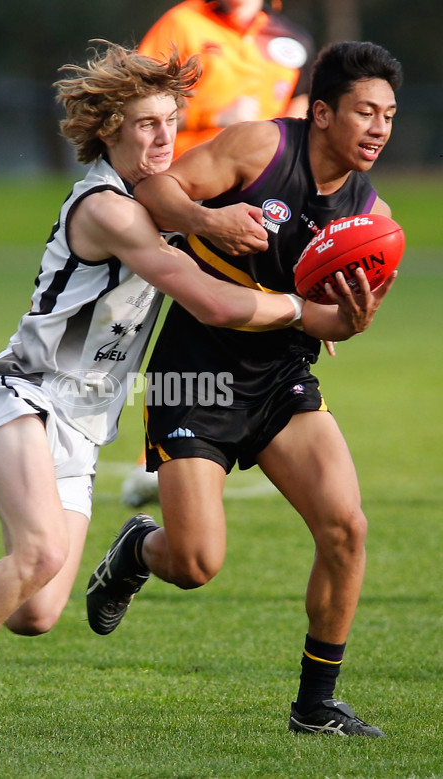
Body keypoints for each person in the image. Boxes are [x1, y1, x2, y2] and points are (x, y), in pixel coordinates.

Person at [0, 41, 347, 743]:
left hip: (84, 426)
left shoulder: (159, 197)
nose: (163, 138)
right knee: (38, 554)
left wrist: (302, 282)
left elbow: (222, 242)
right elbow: (208, 299)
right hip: (23, 395)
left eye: (170, 123)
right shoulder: (105, 206)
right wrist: (302, 310)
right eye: (145, 124)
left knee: (35, 608)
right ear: (111, 130)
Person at [87, 41, 402, 737]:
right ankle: (138, 548)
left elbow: (330, 324)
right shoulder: (263, 147)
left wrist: (351, 321)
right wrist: (205, 220)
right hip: (195, 372)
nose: (379, 128)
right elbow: (154, 190)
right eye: (364, 112)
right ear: (321, 112)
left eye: (388, 115)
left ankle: (315, 705)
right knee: (196, 563)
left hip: (281, 379)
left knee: (346, 527)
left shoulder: (366, 212)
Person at [121, 0, 315, 506]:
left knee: (217, 320)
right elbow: (134, 99)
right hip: (177, 191)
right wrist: (211, 115)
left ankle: (182, 452)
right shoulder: (184, 22)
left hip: (248, 202)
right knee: (159, 314)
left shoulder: (287, 42)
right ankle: (152, 447)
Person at [139, 0, 314, 159]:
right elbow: (140, 104)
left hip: (261, 177)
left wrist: (284, 152)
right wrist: (212, 118)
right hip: (184, 173)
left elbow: (299, 100)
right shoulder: (182, 22)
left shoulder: (294, 39)